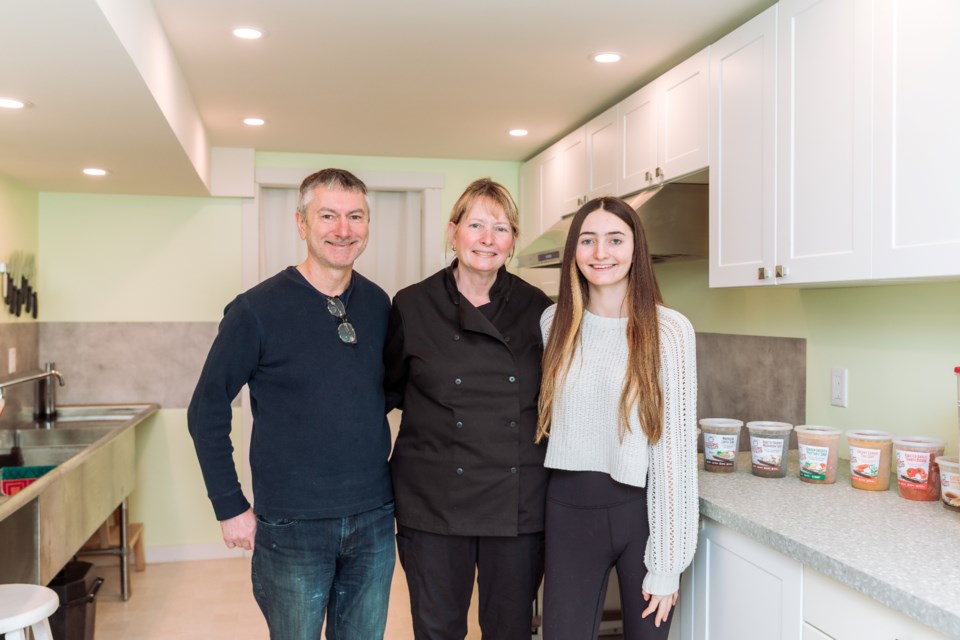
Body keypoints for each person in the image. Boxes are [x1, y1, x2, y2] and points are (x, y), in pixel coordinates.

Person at [187, 168, 395, 639]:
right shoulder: (254, 311)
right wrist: (229, 505)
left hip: (374, 517)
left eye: (355, 216)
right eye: (328, 216)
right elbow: (207, 410)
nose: (343, 229)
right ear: (301, 223)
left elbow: (385, 391)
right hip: (293, 523)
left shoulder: (379, 304)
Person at [384, 178, 552, 639]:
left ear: (513, 240)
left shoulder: (539, 308)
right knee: (437, 630)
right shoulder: (412, 305)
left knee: (510, 629)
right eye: (476, 225)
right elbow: (384, 392)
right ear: (453, 231)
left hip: (517, 503)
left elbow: (556, 400)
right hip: (434, 501)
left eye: (500, 228)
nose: (487, 239)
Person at [536, 196, 698, 639]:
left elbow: (675, 451)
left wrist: (667, 564)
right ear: (574, 251)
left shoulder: (669, 331)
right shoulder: (553, 323)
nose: (600, 252)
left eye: (614, 239)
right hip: (568, 510)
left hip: (640, 516)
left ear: (635, 248)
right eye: (587, 240)